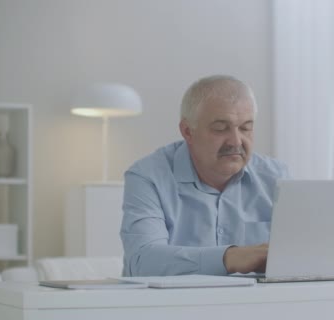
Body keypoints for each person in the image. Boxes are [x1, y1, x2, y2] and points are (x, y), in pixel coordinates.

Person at [120, 75, 289, 277]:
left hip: (255, 305)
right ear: (188, 132)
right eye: (220, 128)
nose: (236, 141)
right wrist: (230, 257)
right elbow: (142, 261)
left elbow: (300, 255)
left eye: (246, 127)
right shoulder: (148, 177)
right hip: (173, 306)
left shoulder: (276, 177)